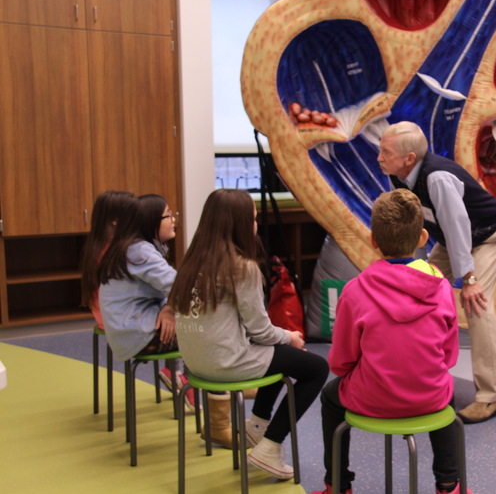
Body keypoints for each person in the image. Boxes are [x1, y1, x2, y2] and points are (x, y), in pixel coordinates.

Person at [312, 189, 470, 494]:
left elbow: (341, 362)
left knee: (330, 399)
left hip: (371, 397)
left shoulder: (355, 291)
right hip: (429, 397)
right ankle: (449, 485)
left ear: (373, 240)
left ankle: (338, 485)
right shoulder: (440, 286)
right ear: (423, 238)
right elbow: (448, 357)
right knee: (445, 389)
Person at [169, 189, 328, 479]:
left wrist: (284, 342)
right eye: (253, 219)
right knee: (316, 367)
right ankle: (270, 445)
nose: (256, 225)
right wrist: (290, 336)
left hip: (194, 364)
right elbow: (261, 330)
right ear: (239, 224)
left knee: (284, 357)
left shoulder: (191, 263)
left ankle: (257, 425)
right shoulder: (241, 268)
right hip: (225, 363)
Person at [378, 121, 496, 424]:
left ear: (409, 158)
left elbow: (458, 229)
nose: (379, 158)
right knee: (414, 292)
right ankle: (420, 380)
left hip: (486, 235)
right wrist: (413, 271)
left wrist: (470, 280)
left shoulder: (436, 178)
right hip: (454, 239)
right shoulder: (399, 177)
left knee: (477, 305)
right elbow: (419, 228)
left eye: (385, 152)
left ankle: (492, 397)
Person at [96, 193, 195, 411]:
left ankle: (184, 381)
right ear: (150, 221)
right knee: (206, 329)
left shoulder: (132, 246)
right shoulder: (140, 251)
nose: (173, 220)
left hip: (130, 328)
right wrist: (170, 307)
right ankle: (194, 388)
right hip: (138, 333)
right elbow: (181, 287)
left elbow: (171, 287)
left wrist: (169, 308)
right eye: (168, 215)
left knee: (195, 320)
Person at [80, 190, 136, 330]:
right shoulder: (119, 249)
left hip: (105, 318)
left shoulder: (99, 246)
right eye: (133, 212)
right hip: (121, 321)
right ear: (115, 220)